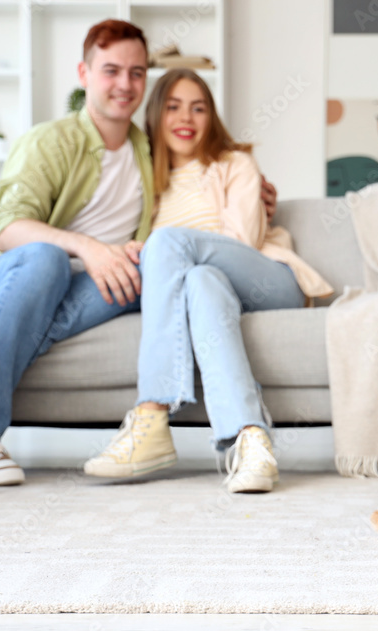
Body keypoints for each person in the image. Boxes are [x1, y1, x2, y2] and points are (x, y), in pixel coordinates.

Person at [0, 20, 277, 487]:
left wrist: (259, 193)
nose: (124, 85)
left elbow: (199, 172)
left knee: (152, 267)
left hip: (92, 287)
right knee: (48, 258)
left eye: (136, 72)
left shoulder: (148, 150)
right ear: (84, 73)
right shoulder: (51, 141)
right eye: (111, 71)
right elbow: (8, 229)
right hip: (20, 278)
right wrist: (88, 248)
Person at [81, 69, 333, 493]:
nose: (187, 118)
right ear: (157, 116)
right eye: (175, 107)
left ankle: (152, 414)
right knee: (199, 281)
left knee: (174, 248)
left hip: (266, 278)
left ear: (211, 116)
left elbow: (244, 241)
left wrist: (166, 245)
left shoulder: (235, 163)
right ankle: (252, 442)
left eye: (199, 108)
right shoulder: (148, 183)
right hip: (209, 285)